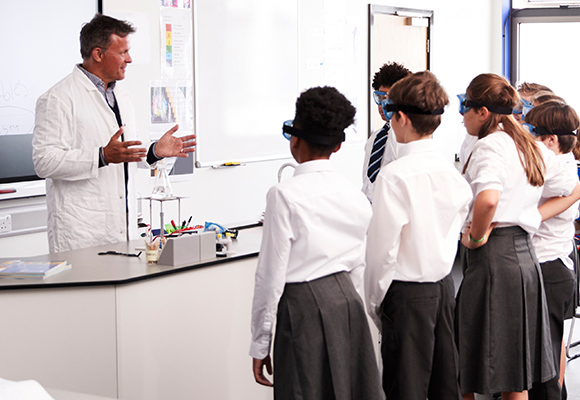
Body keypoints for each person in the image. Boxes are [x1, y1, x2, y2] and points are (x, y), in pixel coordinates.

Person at [250, 86, 383, 400]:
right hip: (349, 307)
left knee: (302, 391)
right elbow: (358, 268)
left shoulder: (283, 194)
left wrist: (260, 342)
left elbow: (270, 278)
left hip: (302, 309)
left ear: (294, 139)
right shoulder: (356, 197)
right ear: (338, 146)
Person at [456, 73, 580, 400]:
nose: (461, 115)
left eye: (463, 106)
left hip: (494, 255)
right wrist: (529, 216)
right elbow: (571, 185)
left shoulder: (491, 146)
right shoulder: (523, 143)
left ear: (483, 111)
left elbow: (488, 199)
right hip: (524, 257)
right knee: (516, 372)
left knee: (467, 365)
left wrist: (476, 237)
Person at [32, 14, 195, 253]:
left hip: (123, 229)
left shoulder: (122, 96)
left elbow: (123, 154)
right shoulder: (57, 98)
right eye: (123, 52)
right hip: (81, 234)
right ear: (98, 54)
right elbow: (43, 162)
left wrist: (153, 152)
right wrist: (101, 156)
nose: (129, 59)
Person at [365, 70, 472, 400]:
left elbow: (382, 254)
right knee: (444, 387)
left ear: (399, 117)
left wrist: (374, 305)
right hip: (443, 290)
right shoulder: (450, 174)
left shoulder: (394, 177)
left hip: (406, 295)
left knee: (404, 389)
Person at [525, 101, 580, 400]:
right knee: (541, 363)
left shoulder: (556, 168)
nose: (526, 137)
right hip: (547, 269)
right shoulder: (559, 164)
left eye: (531, 131)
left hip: (549, 271)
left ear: (551, 139)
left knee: (543, 370)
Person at [362, 62, 410, 202]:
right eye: (380, 98)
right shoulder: (374, 138)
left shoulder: (404, 139)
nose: (383, 106)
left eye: (389, 99)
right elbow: (367, 184)